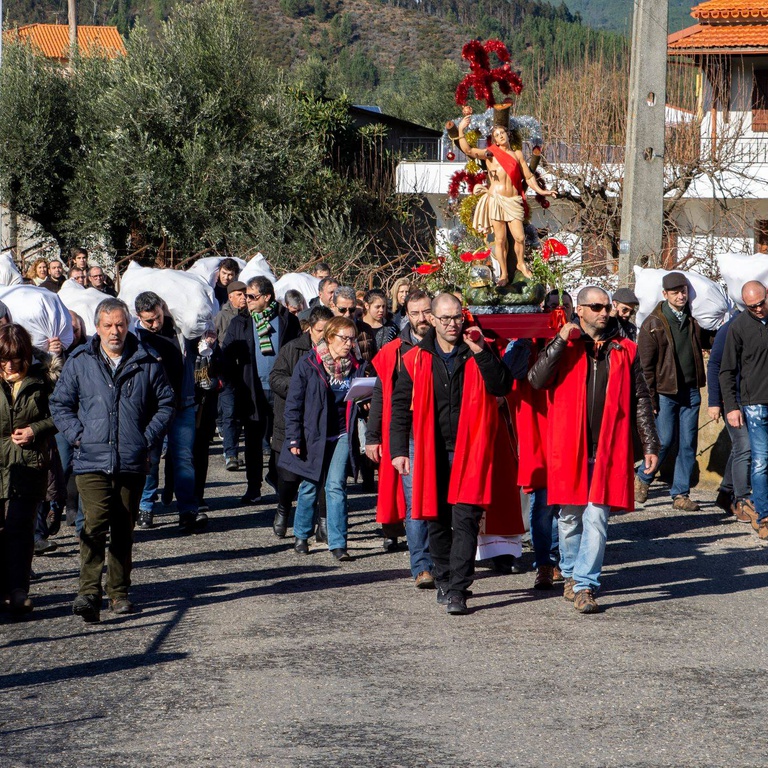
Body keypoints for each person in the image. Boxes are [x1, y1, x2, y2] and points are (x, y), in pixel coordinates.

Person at [529, 287, 659, 613]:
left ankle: (585, 584)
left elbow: (641, 397)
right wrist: (560, 340)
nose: (604, 312)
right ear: (581, 310)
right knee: (570, 517)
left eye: (607, 307)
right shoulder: (565, 345)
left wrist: (649, 442)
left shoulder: (625, 349)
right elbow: (536, 380)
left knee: (597, 517)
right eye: (597, 307)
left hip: (608, 447)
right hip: (568, 447)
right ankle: (570, 572)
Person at [390, 293, 518, 615]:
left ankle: (459, 589)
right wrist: (398, 450)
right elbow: (400, 405)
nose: (452, 324)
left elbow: (502, 386)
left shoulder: (477, 349)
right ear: (432, 319)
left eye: (457, 317)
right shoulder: (416, 358)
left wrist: (481, 351)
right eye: (445, 318)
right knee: (436, 521)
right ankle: (445, 579)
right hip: (430, 451)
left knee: (465, 521)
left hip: (470, 450)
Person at [50, 298, 175, 622]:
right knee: (94, 523)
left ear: (128, 324)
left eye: (120, 324)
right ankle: (88, 592)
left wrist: (145, 438)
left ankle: (118, 592)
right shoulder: (80, 361)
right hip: (91, 459)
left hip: (131, 458)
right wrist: (78, 435)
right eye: (108, 325)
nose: (114, 331)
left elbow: (166, 403)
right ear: (97, 328)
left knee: (123, 527)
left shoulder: (146, 360)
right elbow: (59, 403)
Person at [279, 316, 365, 561]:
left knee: (336, 485)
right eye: (344, 338)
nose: (349, 344)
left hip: (341, 433)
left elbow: (358, 397)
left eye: (352, 339)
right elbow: (293, 404)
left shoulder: (357, 365)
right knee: (309, 485)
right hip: (312, 434)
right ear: (329, 337)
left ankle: (338, 543)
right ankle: (301, 534)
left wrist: (365, 400)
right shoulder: (309, 363)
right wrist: (294, 438)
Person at [366, 290, 434, 586]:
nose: (422, 318)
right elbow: (381, 394)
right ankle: (421, 566)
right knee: (415, 500)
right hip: (410, 435)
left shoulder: (448, 345)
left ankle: (443, 560)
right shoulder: (394, 350)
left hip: (442, 434)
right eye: (415, 313)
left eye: (426, 312)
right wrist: (373, 436)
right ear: (406, 314)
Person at [223, 276, 301, 504]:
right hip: (252, 389)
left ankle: (277, 478)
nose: (246, 300)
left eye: (252, 296)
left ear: (267, 297)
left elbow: (297, 350)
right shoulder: (241, 322)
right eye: (246, 296)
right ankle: (253, 487)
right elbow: (227, 353)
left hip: (281, 389)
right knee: (253, 441)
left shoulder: (287, 320)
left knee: (281, 439)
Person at [133, 292, 206, 533]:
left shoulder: (179, 328)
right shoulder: (135, 336)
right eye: (149, 321)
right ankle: (146, 507)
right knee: (150, 459)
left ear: (162, 308)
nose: (155, 324)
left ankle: (187, 510)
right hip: (152, 408)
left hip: (182, 402)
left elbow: (201, 340)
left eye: (157, 317)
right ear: (138, 316)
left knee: (183, 459)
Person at [456, 116, 557, 285]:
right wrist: (460, 129)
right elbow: (468, 150)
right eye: (496, 135)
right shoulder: (490, 153)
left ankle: (520, 263)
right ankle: (503, 274)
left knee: (520, 237)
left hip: (513, 200)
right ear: (494, 140)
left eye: (502, 133)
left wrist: (542, 191)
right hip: (496, 200)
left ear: (508, 135)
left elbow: (528, 177)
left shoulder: (517, 155)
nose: (500, 136)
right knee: (500, 240)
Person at [635, 272, 706, 511]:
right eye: (675, 292)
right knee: (664, 441)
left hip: (691, 390)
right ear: (665, 294)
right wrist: (650, 400)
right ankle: (643, 477)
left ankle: (680, 495)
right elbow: (645, 368)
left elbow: (708, 340)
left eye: (683, 291)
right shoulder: (653, 324)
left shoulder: (693, 318)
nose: (680, 296)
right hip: (665, 392)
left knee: (688, 444)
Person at [0, 324, 57, 616]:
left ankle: (18, 590)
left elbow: (60, 413)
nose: (10, 366)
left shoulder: (43, 379)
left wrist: (36, 429)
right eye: (4, 359)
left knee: (20, 529)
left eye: (16, 359)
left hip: (29, 463)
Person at [269, 305, 334, 538]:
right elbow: (275, 378)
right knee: (288, 477)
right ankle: (284, 508)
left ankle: (323, 521)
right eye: (320, 331)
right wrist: (300, 386)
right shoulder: (292, 348)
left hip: (322, 423)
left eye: (328, 331)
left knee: (324, 476)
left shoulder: (336, 352)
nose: (324, 336)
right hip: (293, 421)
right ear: (310, 329)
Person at [720, 281, 768, 538]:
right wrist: (730, 406)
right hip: (754, 403)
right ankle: (764, 515)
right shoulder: (738, 327)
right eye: (752, 306)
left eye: (761, 303)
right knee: (760, 460)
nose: (758, 309)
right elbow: (726, 370)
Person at [708, 311, 754, 524]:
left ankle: (726, 493)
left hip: (753, 398)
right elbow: (715, 365)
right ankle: (741, 500)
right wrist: (714, 402)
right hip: (732, 399)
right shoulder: (730, 327)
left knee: (740, 448)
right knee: (744, 446)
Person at [214, 280, 247, 470]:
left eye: (245, 294)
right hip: (226, 372)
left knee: (241, 414)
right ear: (230, 297)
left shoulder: (249, 316)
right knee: (229, 413)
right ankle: (231, 454)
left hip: (245, 372)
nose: (244, 298)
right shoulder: (221, 317)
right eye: (240, 294)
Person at [357, 289, 398, 363]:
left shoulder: (392, 328)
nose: (381, 310)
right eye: (377, 307)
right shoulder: (357, 326)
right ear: (367, 306)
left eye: (383, 306)